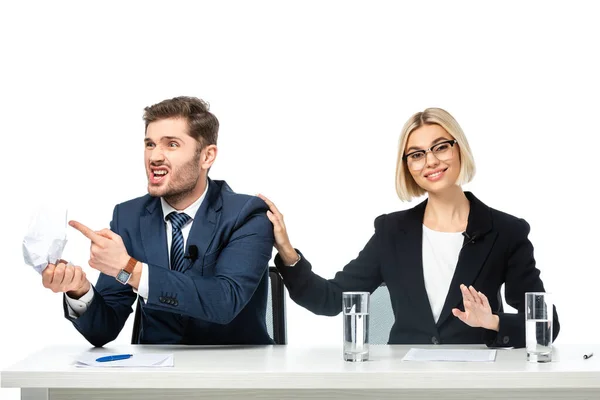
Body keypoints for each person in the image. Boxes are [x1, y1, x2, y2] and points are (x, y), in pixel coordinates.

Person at [260, 107, 559, 347]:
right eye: (416, 154)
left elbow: (547, 325)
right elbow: (330, 299)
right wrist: (287, 252)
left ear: (459, 149)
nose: (430, 161)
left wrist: (492, 321)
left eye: (440, 147)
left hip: (475, 380)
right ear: (407, 167)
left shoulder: (506, 231)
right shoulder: (391, 231)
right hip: (405, 380)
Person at [42, 96, 274, 346]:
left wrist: (130, 269)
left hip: (238, 372)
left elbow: (225, 301)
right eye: (150, 144)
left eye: (171, 144)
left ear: (207, 156)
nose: (155, 157)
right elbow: (103, 329)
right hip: (155, 374)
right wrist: (80, 290)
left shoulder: (246, 214)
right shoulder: (129, 217)